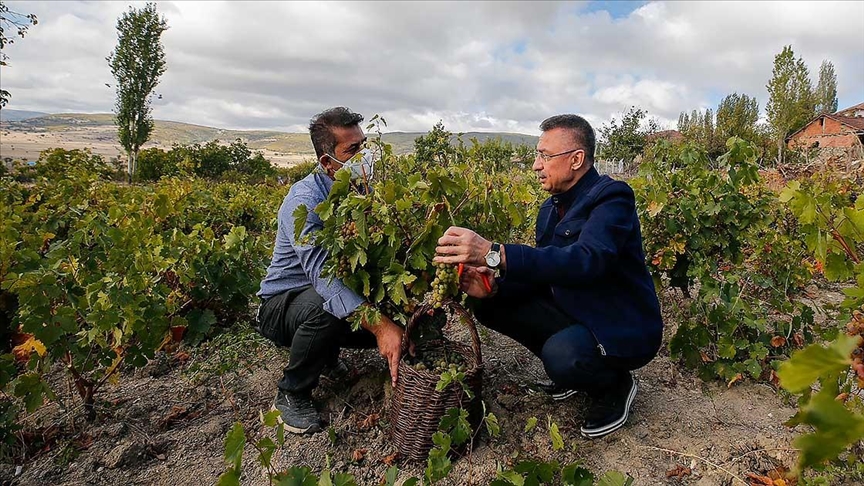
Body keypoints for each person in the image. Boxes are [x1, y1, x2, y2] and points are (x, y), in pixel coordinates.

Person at [434, 114, 663, 439]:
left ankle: (615, 385)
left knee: (562, 356)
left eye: (545, 155)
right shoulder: (550, 209)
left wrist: (494, 252)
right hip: (578, 309)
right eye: (536, 155)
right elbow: (546, 271)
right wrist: (493, 285)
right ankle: (576, 368)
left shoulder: (612, 199)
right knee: (490, 304)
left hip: (620, 325)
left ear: (576, 159)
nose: (536, 165)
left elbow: (589, 260)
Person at [256, 107, 406, 435]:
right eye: (352, 150)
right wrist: (381, 327)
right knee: (327, 305)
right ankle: (292, 392)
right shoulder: (304, 201)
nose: (363, 156)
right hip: (281, 305)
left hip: (316, 296)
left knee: (387, 313)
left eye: (364, 146)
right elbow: (324, 278)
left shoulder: (359, 191)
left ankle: (325, 355)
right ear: (327, 163)